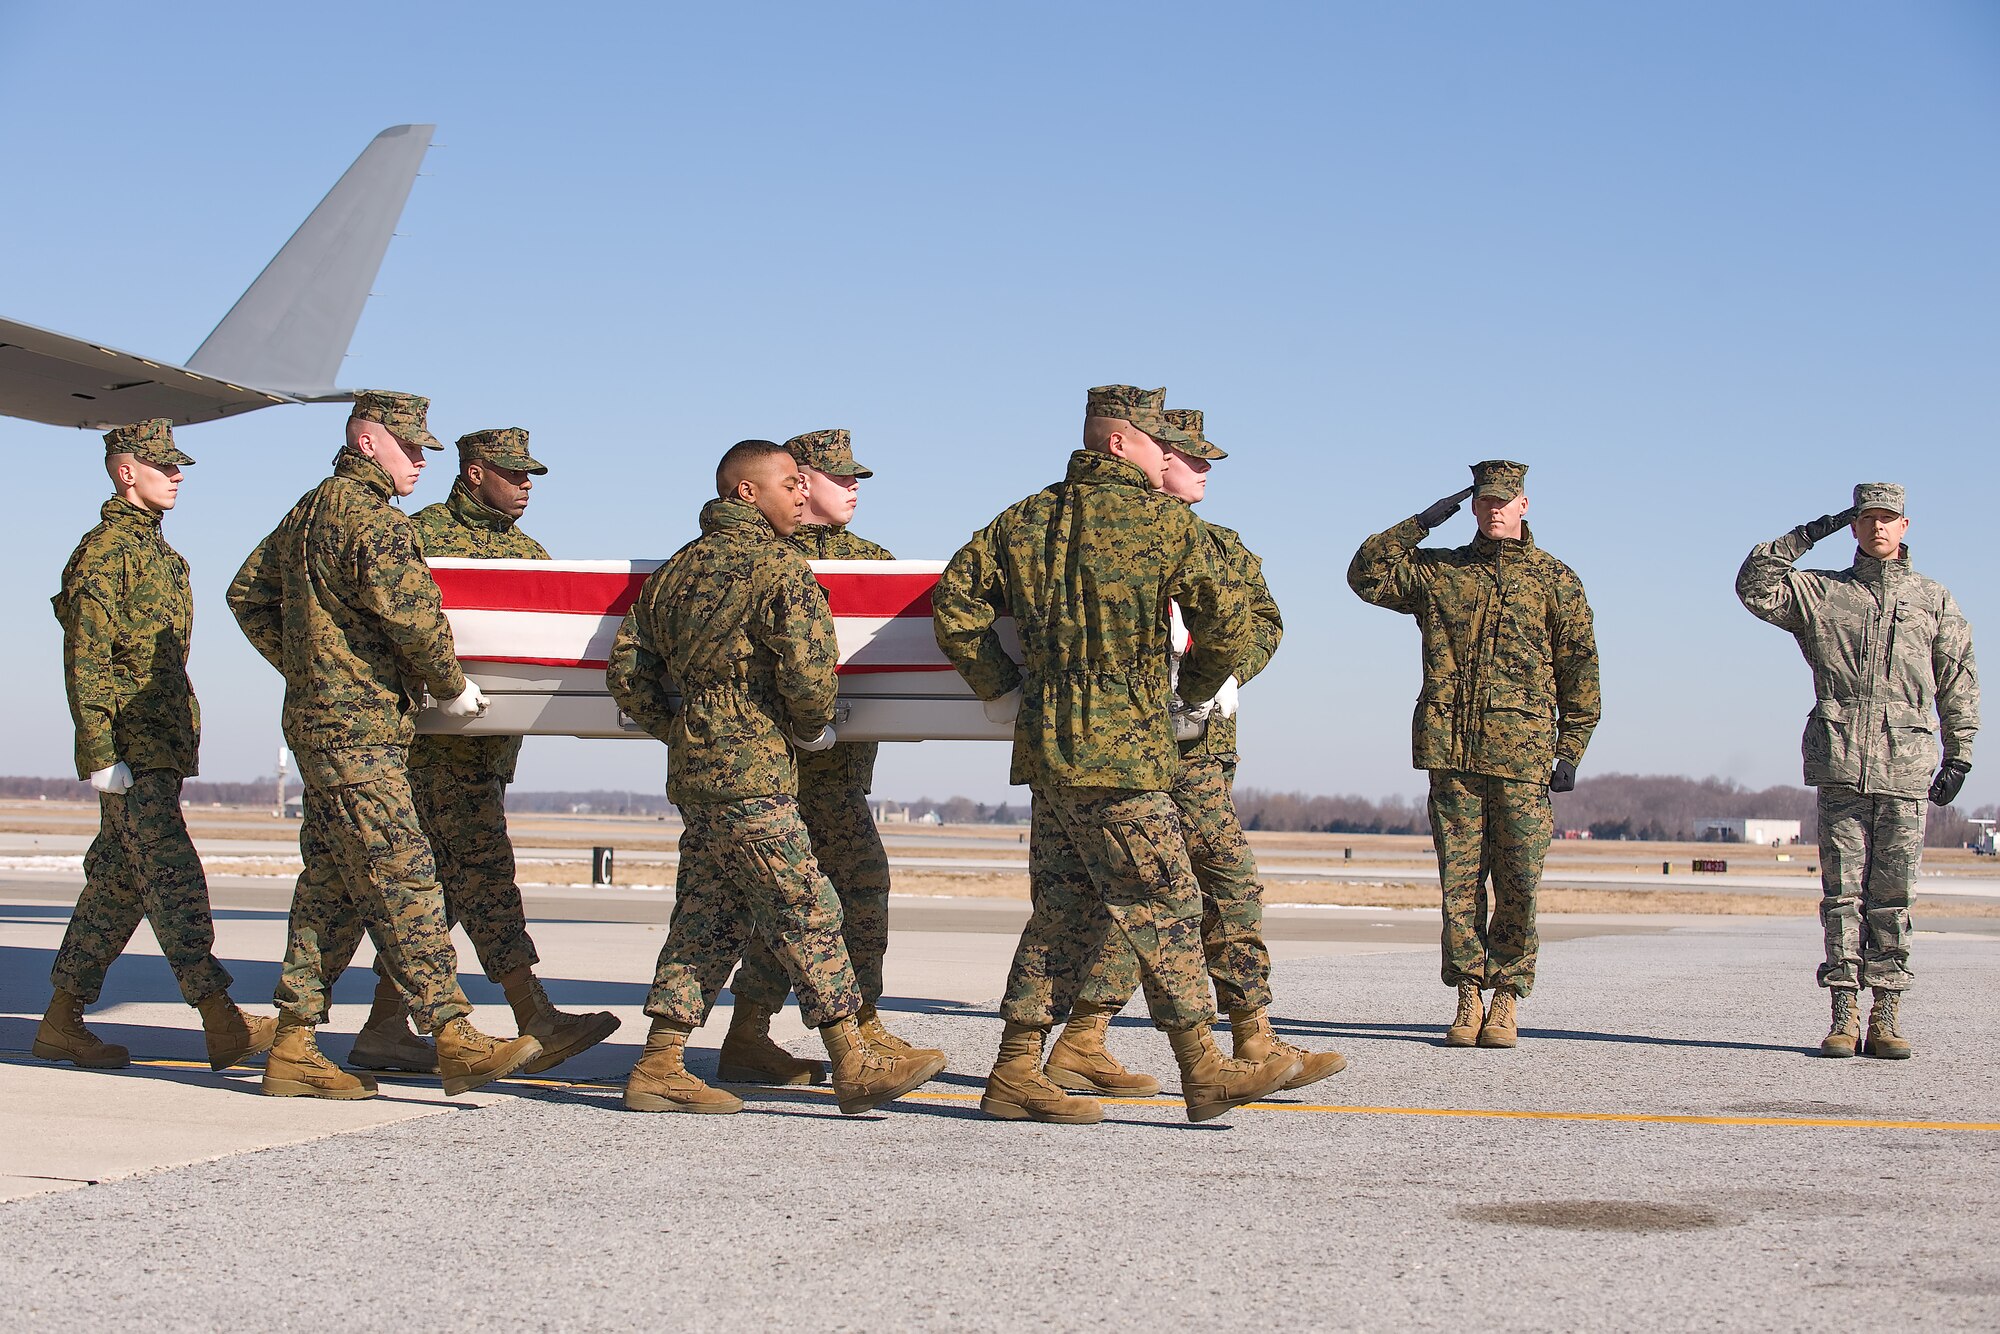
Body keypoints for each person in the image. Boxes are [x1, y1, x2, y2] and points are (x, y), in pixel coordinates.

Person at [933, 385, 1301, 1125]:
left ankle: (1014, 1072)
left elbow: (955, 605)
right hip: (1126, 749)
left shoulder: (1023, 518)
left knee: (1061, 912)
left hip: (1047, 749)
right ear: (1117, 443)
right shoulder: (1164, 522)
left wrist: (1003, 688)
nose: (1168, 454)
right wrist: (1195, 696)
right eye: (1154, 441)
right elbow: (1228, 623)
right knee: (1168, 901)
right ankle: (1204, 1068)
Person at [606, 438, 945, 1115]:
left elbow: (628, 675)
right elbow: (810, 675)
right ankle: (854, 1059)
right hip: (757, 767)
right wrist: (808, 727)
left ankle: (659, 1064)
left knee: (710, 915)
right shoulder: (779, 569)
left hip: (696, 771)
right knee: (808, 908)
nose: (799, 494)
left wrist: (685, 730)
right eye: (788, 484)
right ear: (745, 493)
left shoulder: (674, 572)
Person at [227, 391, 542, 1099]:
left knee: (332, 891)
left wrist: (309, 668)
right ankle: (453, 1033)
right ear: (368, 442)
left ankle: (294, 1043)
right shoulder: (376, 522)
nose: (422, 461)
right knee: (406, 879)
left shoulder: (308, 510)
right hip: (361, 735)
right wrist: (449, 684)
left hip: (324, 725)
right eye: (410, 448)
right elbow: (414, 617)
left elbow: (247, 594)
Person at [1044, 408, 1344, 1096]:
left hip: (1204, 745)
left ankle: (1104, 1038)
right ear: (1151, 457)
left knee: (1177, 887)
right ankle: (1241, 1038)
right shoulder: (1094, 535)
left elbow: (1261, 623)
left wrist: (1217, 676)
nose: (1203, 469)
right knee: (1199, 882)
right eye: (1190, 457)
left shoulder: (1221, 544)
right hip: (1129, 744)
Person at [346, 428, 619, 1076]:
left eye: (530, 475)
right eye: (513, 472)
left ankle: (386, 1026)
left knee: (444, 897)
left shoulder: (531, 554)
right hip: (427, 755)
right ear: (473, 473)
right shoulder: (418, 535)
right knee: (484, 885)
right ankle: (535, 1016)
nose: (526, 484)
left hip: (486, 755)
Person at [37, 419, 276, 1073]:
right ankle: (222, 1021)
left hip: (160, 749)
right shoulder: (103, 553)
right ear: (125, 472)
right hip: (130, 753)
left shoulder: (166, 561)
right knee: (174, 881)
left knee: (117, 887)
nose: (176, 475)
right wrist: (97, 751)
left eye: (177, 467)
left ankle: (61, 1020)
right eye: (162, 466)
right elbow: (85, 657)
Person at [1347, 461, 1600, 1049]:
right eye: (1482, 502)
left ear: (1524, 505)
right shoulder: (1441, 574)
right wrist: (1423, 521)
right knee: (1458, 883)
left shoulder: (1555, 580)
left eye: (1502, 502)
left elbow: (1581, 671)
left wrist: (1571, 748)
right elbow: (1365, 575)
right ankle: (1467, 994)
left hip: (1524, 757)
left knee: (1518, 882)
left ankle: (1507, 996)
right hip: (1453, 751)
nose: (1492, 511)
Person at [717, 429, 941, 1085]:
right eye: (839, 477)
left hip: (838, 768)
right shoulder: (759, 555)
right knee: (822, 896)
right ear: (800, 480)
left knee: (834, 898)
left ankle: (805, 1027)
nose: (853, 489)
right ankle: (834, 1030)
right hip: (774, 768)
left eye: (856, 478)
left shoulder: (874, 561)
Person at [1736, 483, 1978, 1059]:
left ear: (1905, 525)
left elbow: (1957, 678)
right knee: (1841, 895)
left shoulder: (1933, 600)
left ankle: (1887, 1011)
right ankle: (1844, 1011)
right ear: (1854, 525)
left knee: (1892, 897)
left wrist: (1960, 750)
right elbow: (1753, 584)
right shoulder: (1823, 594)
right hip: (1842, 761)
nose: (1877, 528)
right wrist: (1812, 529)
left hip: (1907, 766)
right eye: (1866, 518)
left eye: (1887, 518)